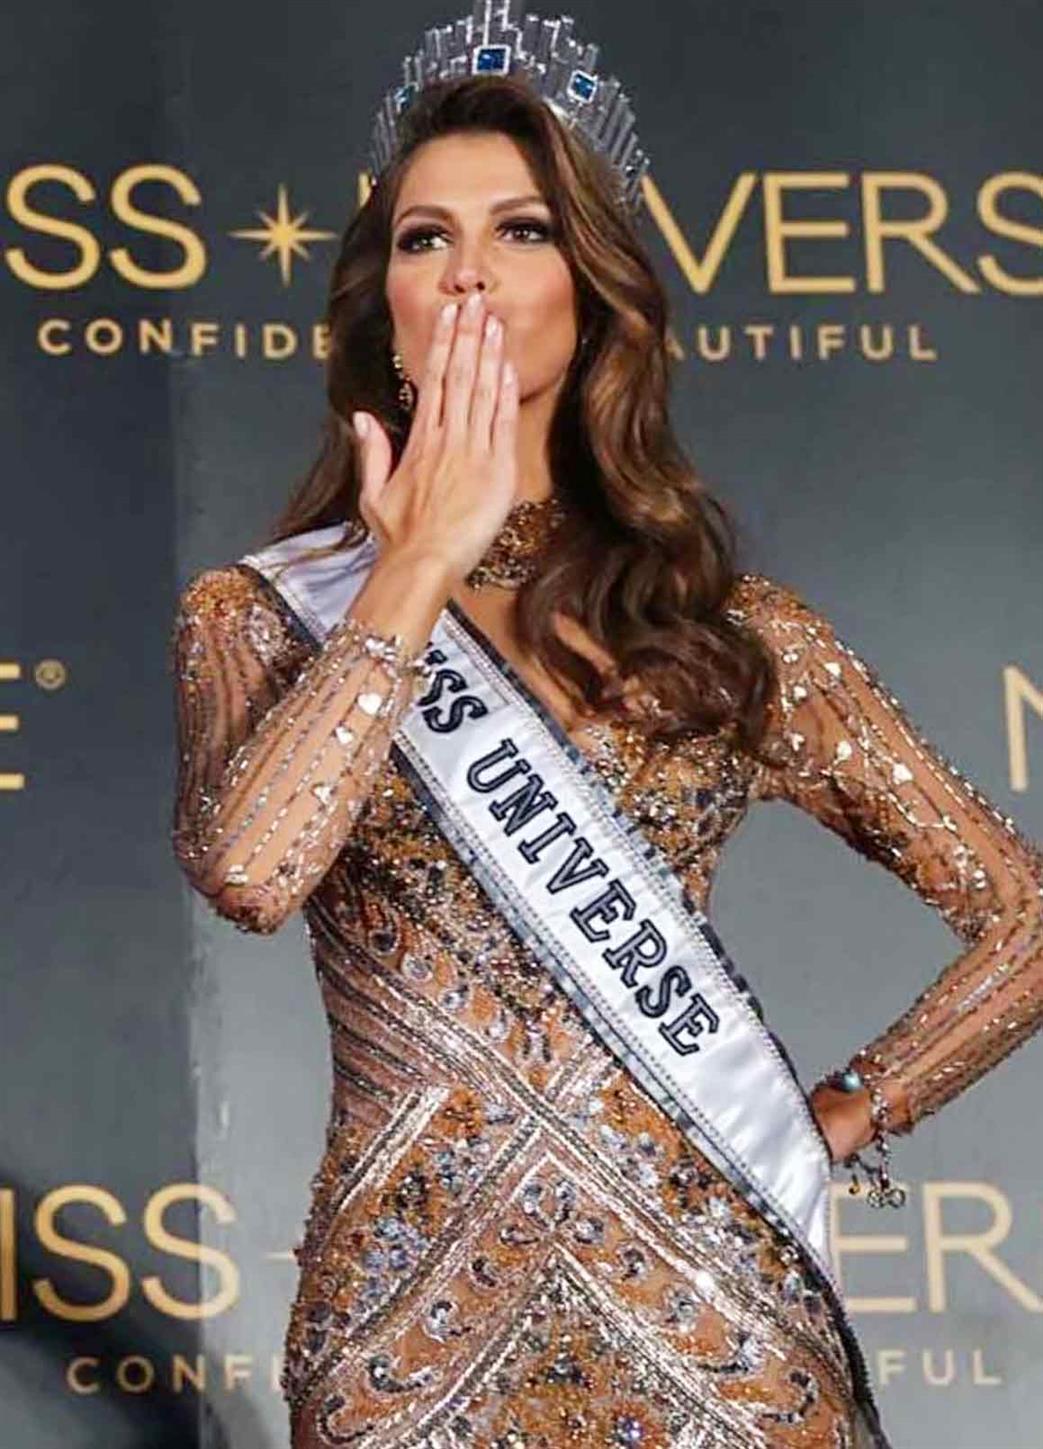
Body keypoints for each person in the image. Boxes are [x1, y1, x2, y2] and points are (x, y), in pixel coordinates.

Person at [169, 14, 1043, 1448]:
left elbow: (1027, 920)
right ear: (384, 301)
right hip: (409, 1335)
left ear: (592, 286)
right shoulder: (263, 615)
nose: (467, 270)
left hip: (721, 1317)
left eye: (519, 230)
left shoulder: (725, 627)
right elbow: (252, 871)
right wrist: (412, 567)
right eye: (425, 237)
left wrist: (843, 1112)